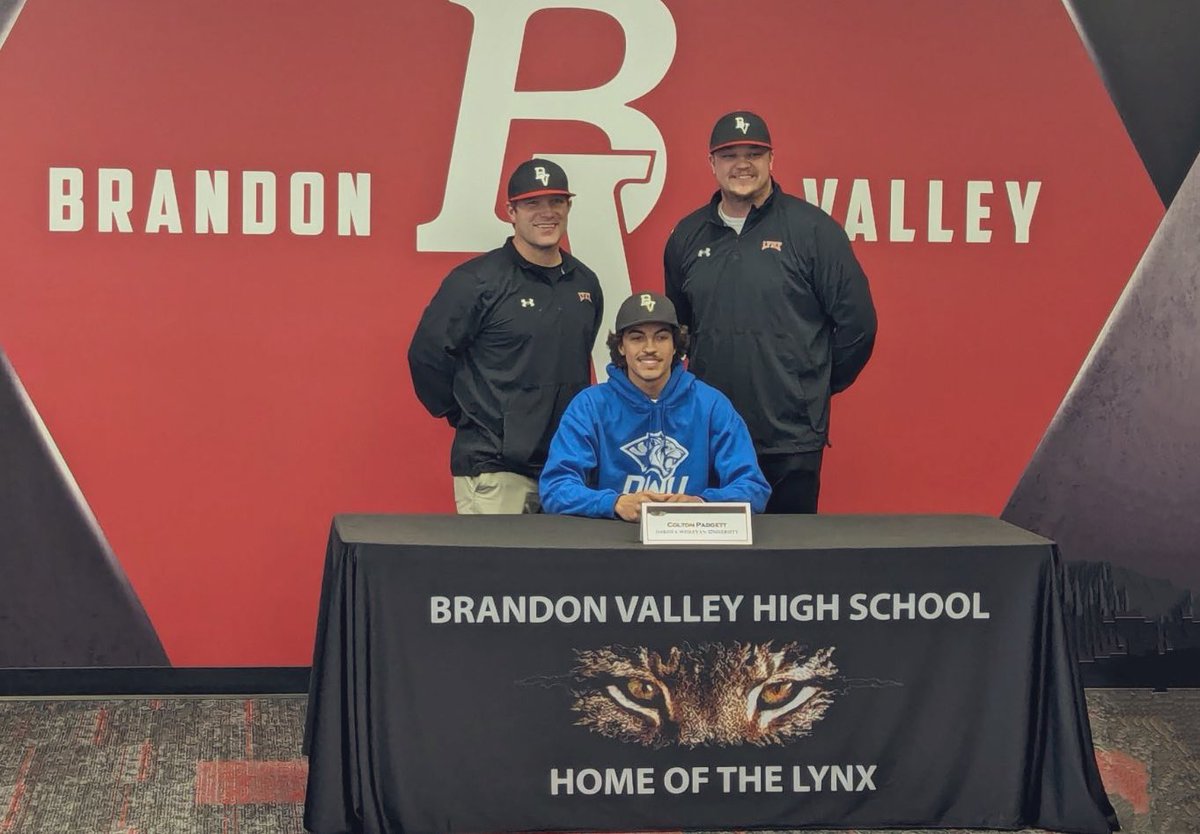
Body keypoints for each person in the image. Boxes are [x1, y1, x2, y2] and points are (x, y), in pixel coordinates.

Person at [664, 111, 877, 514]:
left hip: (791, 436)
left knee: (789, 565)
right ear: (711, 164)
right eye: (729, 155)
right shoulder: (686, 236)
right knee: (716, 565)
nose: (742, 164)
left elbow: (859, 326)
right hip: (712, 431)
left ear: (771, 160)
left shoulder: (813, 230)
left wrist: (810, 387)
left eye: (753, 154)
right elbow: (681, 331)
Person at [409, 158, 603, 514]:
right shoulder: (476, 282)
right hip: (495, 471)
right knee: (493, 572)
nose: (546, 213)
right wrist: (469, 416)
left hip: (565, 472)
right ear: (510, 211)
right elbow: (426, 357)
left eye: (556, 202)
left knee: (564, 572)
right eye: (532, 204)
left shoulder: (584, 283)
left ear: (569, 207)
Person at [539, 291, 770, 521]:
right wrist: (614, 503)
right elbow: (555, 487)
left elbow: (753, 487)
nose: (650, 348)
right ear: (621, 346)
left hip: (692, 543)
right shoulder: (589, 406)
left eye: (661, 337)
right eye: (637, 338)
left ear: (675, 345)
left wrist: (701, 503)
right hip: (613, 546)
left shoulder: (711, 405)